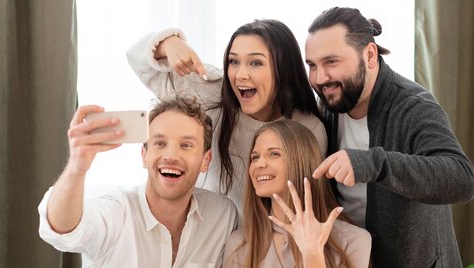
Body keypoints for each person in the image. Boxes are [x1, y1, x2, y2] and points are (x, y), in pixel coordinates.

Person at [38, 96, 237, 268]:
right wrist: (78, 167)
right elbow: (61, 229)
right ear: (144, 156)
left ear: (205, 160)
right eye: (159, 143)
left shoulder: (222, 216)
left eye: (186, 145)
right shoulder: (116, 209)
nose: (171, 155)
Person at [305, 7, 474, 268]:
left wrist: (373, 163)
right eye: (312, 65)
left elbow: (461, 178)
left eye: (331, 62)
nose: (320, 78)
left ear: (369, 55)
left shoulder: (414, 106)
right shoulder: (328, 105)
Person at [127, 20, 327, 216]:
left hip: (266, 242)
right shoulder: (211, 93)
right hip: (207, 235)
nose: (240, 74)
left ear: (283, 69)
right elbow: (135, 57)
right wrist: (169, 44)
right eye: (233, 61)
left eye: (255, 63)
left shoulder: (307, 127)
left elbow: (308, 201)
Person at [219, 120, 371, 268]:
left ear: (301, 161)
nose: (259, 164)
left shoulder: (355, 241)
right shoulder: (239, 245)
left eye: (274, 154)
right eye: (255, 157)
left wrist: (313, 257)